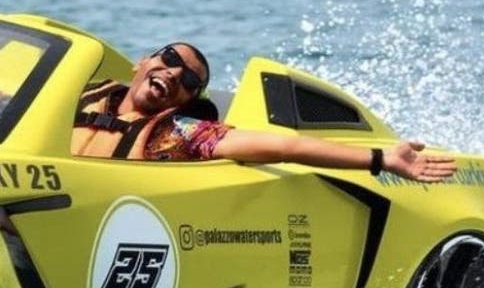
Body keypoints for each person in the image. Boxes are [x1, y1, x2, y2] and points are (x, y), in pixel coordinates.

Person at [71, 43, 457, 183]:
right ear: (142, 61)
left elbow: (285, 146)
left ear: (186, 102)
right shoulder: (75, 97)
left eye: (189, 79)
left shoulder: (178, 134)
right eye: (170, 58)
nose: (173, 73)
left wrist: (381, 158)